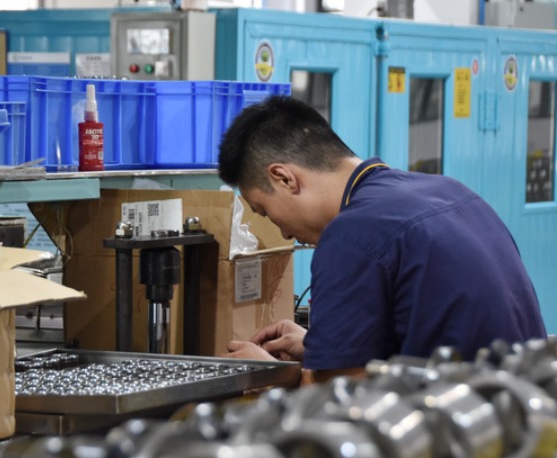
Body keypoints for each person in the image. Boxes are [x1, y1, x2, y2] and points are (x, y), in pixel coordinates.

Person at [218, 95, 546, 381]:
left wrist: (271, 374)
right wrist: (322, 346)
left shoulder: (350, 235)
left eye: (264, 211)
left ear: (284, 178)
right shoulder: (451, 191)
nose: (284, 233)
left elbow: (339, 396)